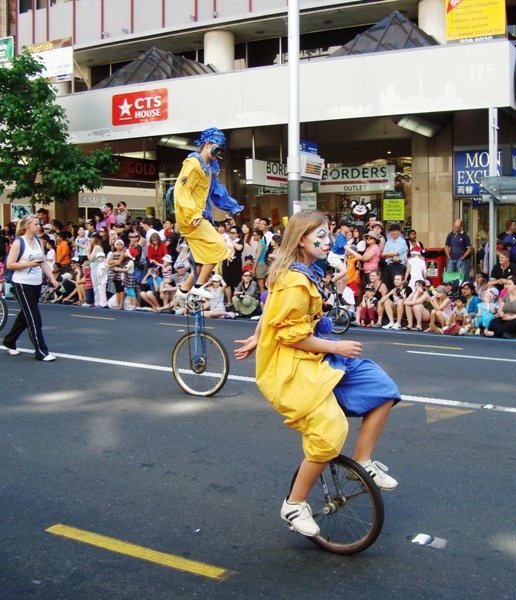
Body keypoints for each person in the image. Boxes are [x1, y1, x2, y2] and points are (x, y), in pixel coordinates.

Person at [234, 210, 400, 538]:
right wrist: (337, 348)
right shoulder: (295, 280)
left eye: (328, 235)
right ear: (301, 241)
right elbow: (289, 333)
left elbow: (271, 309)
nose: (327, 241)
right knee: (330, 431)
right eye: (320, 237)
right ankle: (295, 504)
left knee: (383, 387)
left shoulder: (299, 270)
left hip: (316, 352)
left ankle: (362, 461)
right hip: (293, 367)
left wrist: (258, 335)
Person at [174, 127, 243, 300]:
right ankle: (198, 287)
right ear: (206, 144)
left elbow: (218, 192)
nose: (218, 153)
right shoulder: (192, 164)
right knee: (220, 247)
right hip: (191, 217)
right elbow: (181, 192)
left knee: (201, 261)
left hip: (200, 216)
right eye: (216, 148)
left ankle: (183, 290)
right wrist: (194, 214)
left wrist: (232, 207)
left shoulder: (210, 168)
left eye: (221, 151)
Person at [3, 214, 60, 361]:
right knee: (34, 318)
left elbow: (42, 262)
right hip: (22, 283)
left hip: (36, 283)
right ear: (27, 226)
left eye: (39, 224)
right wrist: (29, 264)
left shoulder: (37, 240)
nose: (39, 226)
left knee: (25, 315)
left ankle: (9, 340)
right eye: (36, 224)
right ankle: (41, 351)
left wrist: (52, 277)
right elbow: (10, 264)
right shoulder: (18, 242)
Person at [381, 223, 408, 290]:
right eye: (392, 231)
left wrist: (389, 254)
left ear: (399, 231)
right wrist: (392, 255)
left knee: (397, 285)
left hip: (397, 266)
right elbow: (383, 254)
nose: (393, 232)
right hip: (387, 265)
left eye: (395, 231)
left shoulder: (402, 242)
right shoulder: (388, 242)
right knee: (387, 286)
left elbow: (396, 252)